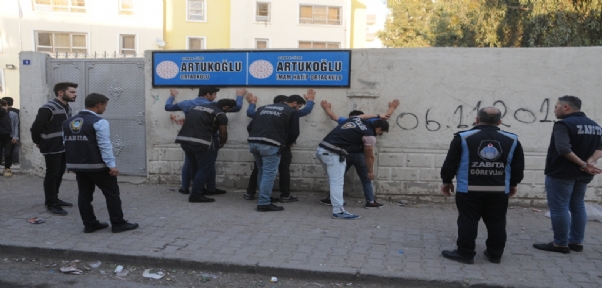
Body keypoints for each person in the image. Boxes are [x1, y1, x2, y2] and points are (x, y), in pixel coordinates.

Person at [440, 107, 525, 264]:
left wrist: (447, 181)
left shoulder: (463, 137)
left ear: (477, 120)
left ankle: (465, 253)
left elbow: (450, 163)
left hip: (469, 189)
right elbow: (517, 166)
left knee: (467, 220)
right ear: (500, 122)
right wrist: (513, 184)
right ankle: (495, 254)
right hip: (499, 190)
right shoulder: (512, 140)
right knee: (497, 222)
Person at [533, 96, 602, 254]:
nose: (554, 109)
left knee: (559, 207)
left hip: (561, 172)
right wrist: (590, 162)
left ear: (566, 107)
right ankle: (576, 242)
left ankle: (560, 244)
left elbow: (563, 149)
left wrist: (584, 164)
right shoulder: (595, 126)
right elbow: (600, 147)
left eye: (556, 106)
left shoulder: (563, 124)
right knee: (577, 206)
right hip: (583, 174)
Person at [63, 93, 139, 233]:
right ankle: (118, 223)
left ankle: (90, 224)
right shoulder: (99, 121)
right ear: (98, 105)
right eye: (105, 105)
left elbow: (65, 143)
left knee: (84, 195)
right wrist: (112, 165)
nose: (105, 108)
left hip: (78, 166)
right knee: (112, 194)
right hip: (97, 165)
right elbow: (104, 145)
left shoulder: (68, 122)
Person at [319, 99, 400, 208]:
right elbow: (386, 116)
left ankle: (330, 198)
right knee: (366, 178)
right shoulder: (370, 124)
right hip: (361, 155)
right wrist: (393, 107)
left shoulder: (347, 121)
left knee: (337, 178)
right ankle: (370, 201)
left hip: (345, 154)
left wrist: (326, 108)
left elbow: (334, 117)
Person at [165, 86, 245, 195]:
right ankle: (208, 188)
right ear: (208, 94)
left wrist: (172, 96)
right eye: (214, 94)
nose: (215, 96)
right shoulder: (214, 106)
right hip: (208, 138)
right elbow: (236, 107)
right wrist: (239, 96)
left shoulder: (186, 103)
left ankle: (185, 187)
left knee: (189, 163)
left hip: (188, 137)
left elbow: (168, 107)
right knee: (208, 164)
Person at [243, 90, 316, 202]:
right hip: (276, 144)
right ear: (294, 103)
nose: (298, 109)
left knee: (259, 170)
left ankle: (253, 194)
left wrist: (252, 103)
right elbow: (295, 132)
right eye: (298, 106)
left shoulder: (263, 109)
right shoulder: (291, 111)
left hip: (255, 142)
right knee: (275, 172)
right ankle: (267, 200)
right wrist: (310, 100)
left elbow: (250, 125)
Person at [316, 115, 389, 219]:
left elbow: (362, 116)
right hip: (333, 153)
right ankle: (338, 211)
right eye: (380, 133)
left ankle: (337, 202)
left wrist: (377, 115)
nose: (378, 135)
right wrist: (370, 171)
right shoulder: (369, 135)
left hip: (321, 150)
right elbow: (369, 155)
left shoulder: (356, 119)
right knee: (337, 182)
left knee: (333, 180)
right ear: (379, 129)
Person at [175, 99, 237, 203]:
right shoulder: (220, 114)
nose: (228, 112)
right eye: (230, 110)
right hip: (201, 142)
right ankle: (196, 195)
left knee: (194, 166)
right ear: (226, 107)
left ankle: (199, 189)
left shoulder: (196, 107)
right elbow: (223, 133)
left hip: (184, 140)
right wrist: (222, 142)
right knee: (204, 168)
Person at [31, 82, 78, 216]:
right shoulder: (48, 108)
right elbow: (36, 127)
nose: (75, 94)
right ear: (60, 93)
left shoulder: (67, 108)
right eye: (72, 92)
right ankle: (51, 203)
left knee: (59, 173)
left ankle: (55, 198)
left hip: (63, 146)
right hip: (51, 147)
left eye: (75, 92)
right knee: (52, 174)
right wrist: (38, 141)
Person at [0, 99, 18, 177]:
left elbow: (16, 125)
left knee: (8, 153)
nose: (3, 108)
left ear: (7, 106)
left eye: (4, 106)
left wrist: (15, 136)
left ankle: (7, 168)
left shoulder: (13, 114)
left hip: (9, 136)